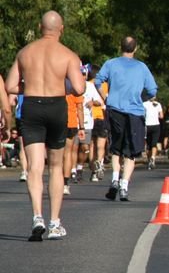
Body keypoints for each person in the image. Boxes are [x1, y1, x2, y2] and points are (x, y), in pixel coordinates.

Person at [4, 11, 85, 240]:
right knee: (56, 166)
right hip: (57, 106)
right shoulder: (68, 55)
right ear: (62, 29)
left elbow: (11, 86)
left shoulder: (25, 53)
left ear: (40, 27)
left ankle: (37, 216)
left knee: (34, 166)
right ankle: (55, 222)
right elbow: (79, 89)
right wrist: (62, 85)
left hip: (31, 106)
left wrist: (30, 87)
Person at [95, 36, 157, 202]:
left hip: (115, 108)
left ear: (119, 47)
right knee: (131, 151)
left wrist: (105, 97)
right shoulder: (142, 67)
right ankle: (124, 186)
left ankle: (115, 178)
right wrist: (139, 97)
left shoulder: (111, 63)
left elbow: (98, 81)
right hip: (135, 112)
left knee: (116, 147)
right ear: (135, 49)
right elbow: (152, 90)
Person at [62, 84, 85, 194]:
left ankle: (55, 181)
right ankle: (65, 184)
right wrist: (82, 127)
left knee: (55, 154)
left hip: (56, 121)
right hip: (71, 123)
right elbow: (80, 109)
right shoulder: (75, 87)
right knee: (67, 153)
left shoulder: (57, 83)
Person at [143, 96, 163, 169]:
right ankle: (153, 158)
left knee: (148, 145)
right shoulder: (158, 104)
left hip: (147, 125)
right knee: (154, 143)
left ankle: (149, 161)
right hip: (156, 125)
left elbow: (142, 114)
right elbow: (161, 116)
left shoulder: (144, 104)